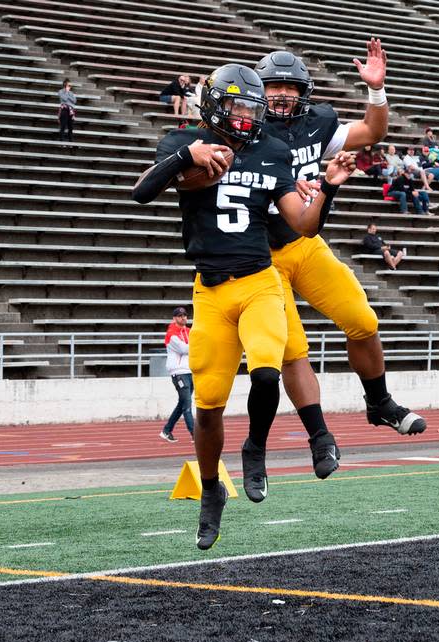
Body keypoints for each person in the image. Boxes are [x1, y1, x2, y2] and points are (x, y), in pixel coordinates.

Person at [132, 64, 356, 550]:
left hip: (259, 282)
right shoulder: (181, 143)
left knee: (266, 373)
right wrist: (186, 157)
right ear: (213, 104)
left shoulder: (270, 150)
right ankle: (212, 490)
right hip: (210, 292)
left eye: (252, 109)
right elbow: (141, 192)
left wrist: (330, 187)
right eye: (237, 106)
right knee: (207, 407)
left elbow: (304, 224)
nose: (246, 117)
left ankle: (255, 448)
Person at [252, 44, 427, 506]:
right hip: (260, 256)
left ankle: (379, 404)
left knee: (363, 320)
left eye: (290, 86)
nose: (283, 94)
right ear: (259, 91)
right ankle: (319, 436)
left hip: (305, 245)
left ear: (304, 91)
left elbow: (372, 129)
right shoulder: (244, 131)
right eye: (274, 86)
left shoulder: (318, 123)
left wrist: (377, 90)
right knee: (293, 350)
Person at [160, 307, 194, 443]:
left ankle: (167, 430)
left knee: (182, 404)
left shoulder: (189, 331)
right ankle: (194, 434)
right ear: (174, 318)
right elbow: (184, 349)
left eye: (185, 315)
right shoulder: (171, 334)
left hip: (189, 371)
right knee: (187, 404)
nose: (183, 318)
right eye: (180, 316)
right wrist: (198, 345)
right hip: (179, 373)